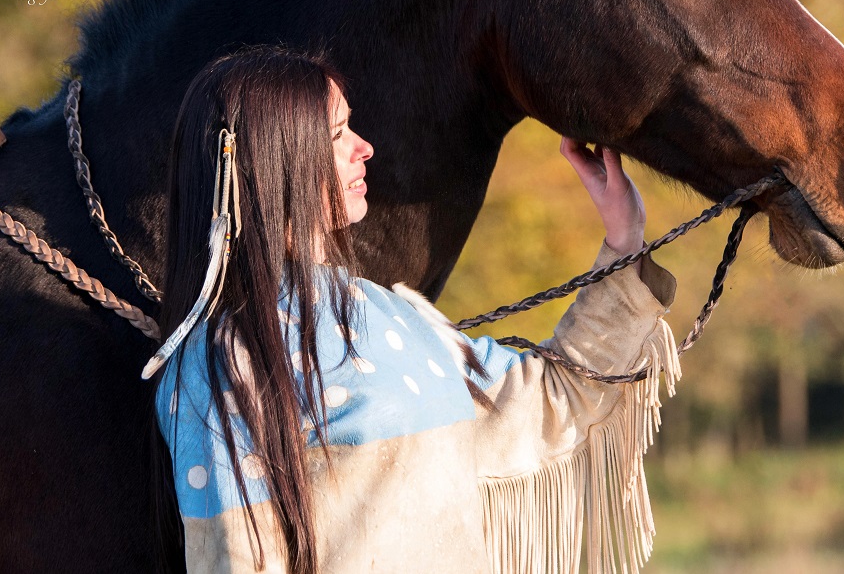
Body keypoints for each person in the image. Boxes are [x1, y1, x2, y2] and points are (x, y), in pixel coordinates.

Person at [148, 46, 680, 574]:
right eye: (337, 134)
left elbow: (549, 402)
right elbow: (234, 561)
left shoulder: (398, 317)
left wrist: (624, 238)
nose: (364, 148)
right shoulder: (222, 365)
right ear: (274, 160)